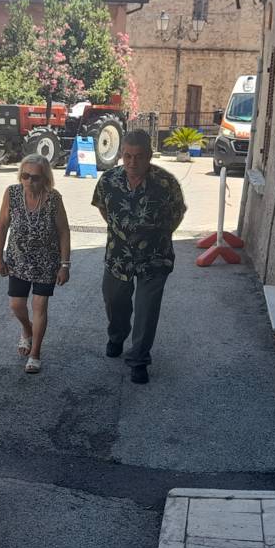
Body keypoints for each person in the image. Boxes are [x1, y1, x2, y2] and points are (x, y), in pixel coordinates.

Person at [91, 129, 186, 384]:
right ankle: (117, 336)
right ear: (121, 155)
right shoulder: (108, 181)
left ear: (149, 156)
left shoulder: (166, 183)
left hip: (154, 257)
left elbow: (177, 214)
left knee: (147, 309)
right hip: (118, 255)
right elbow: (103, 208)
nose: (132, 162)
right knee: (114, 301)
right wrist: (123, 233)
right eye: (127, 156)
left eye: (139, 156)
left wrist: (154, 236)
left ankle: (139, 359)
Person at [0, 153, 71, 374]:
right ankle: (27, 329)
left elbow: (64, 231)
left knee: (39, 306)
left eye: (35, 177)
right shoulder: (12, 193)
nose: (29, 181)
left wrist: (65, 264)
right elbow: (2, 226)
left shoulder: (53, 198)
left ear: (45, 179)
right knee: (16, 305)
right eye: (25, 176)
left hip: (46, 262)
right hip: (18, 260)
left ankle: (35, 353)